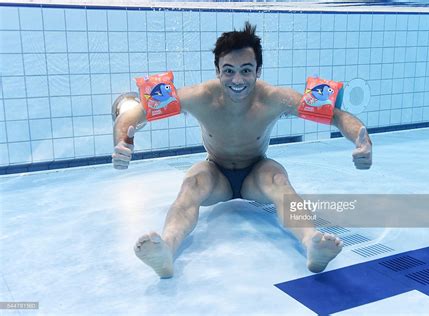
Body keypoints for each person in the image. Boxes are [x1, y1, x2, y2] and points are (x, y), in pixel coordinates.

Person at [112, 22, 372, 278]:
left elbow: (336, 116)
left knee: (280, 181)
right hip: (216, 172)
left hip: (256, 172)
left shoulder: (274, 98)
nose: (237, 80)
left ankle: (311, 243)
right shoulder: (198, 96)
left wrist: (362, 143)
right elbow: (137, 112)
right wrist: (123, 141)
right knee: (190, 185)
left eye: (246, 70)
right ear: (217, 71)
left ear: (258, 70)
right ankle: (167, 249)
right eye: (229, 71)